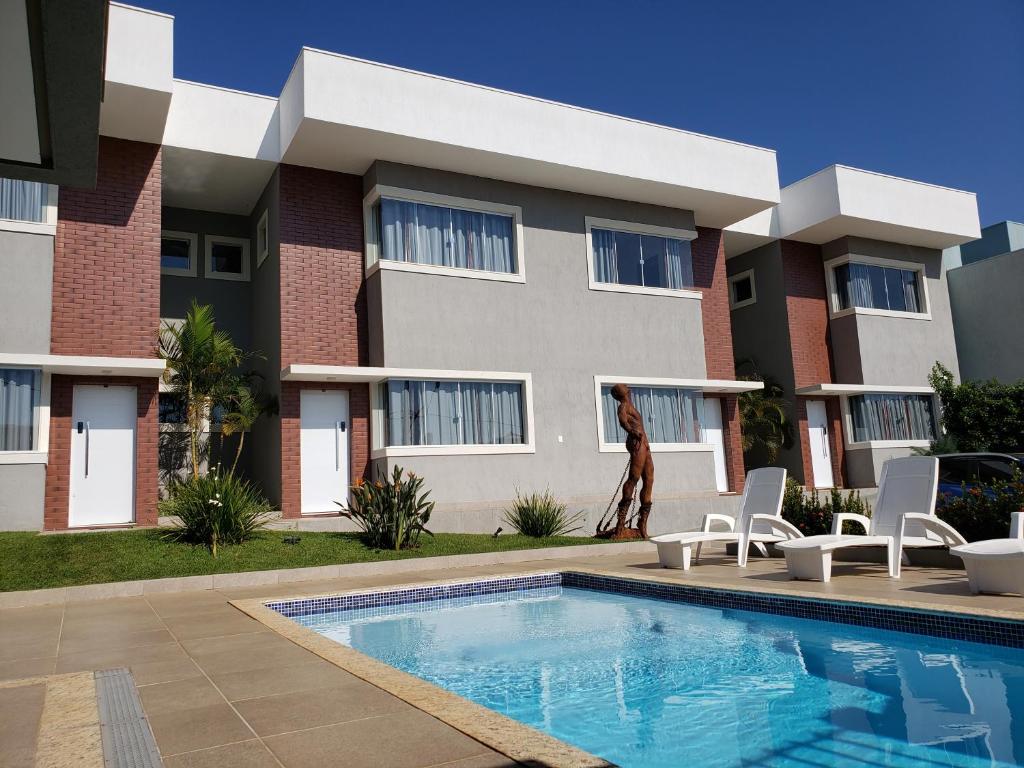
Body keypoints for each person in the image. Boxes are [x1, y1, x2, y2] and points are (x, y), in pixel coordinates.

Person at [609, 383, 653, 538]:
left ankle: (642, 523)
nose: (629, 389)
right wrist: (632, 431)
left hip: (645, 443)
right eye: (626, 387)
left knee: (649, 479)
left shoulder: (629, 405)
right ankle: (621, 525)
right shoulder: (623, 406)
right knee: (634, 478)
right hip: (637, 443)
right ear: (624, 392)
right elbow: (623, 422)